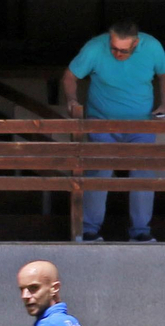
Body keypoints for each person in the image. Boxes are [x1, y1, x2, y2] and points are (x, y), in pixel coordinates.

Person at [61, 18, 165, 241]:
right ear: (109, 40)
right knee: (99, 172)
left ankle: (140, 232)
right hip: (102, 121)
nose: (118, 54)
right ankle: (89, 229)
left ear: (136, 43)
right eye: (114, 48)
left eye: (124, 50)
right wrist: (71, 100)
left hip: (141, 123)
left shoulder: (153, 47)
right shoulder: (94, 48)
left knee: (143, 175)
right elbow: (70, 75)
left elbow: (163, 73)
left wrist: (164, 103)